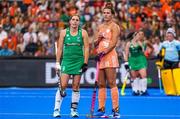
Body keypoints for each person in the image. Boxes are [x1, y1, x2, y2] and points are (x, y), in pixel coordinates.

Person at [53, 14, 89, 118]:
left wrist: (85, 63)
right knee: (62, 85)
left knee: (76, 85)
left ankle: (73, 110)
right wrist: (57, 62)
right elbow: (59, 49)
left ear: (79, 22)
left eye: (77, 20)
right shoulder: (64, 32)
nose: (75, 21)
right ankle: (56, 109)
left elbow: (86, 48)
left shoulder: (83, 33)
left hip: (78, 61)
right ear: (70, 21)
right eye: (73, 19)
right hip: (67, 61)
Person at [93, 2, 120, 118]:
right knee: (101, 84)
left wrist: (103, 52)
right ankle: (101, 108)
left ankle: (115, 110)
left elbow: (113, 43)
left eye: (108, 13)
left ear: (112, 14)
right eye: (104, 13)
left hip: (109, 56)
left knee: (112, 82)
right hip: (100, 57)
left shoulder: (115, 26)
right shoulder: (100, 26)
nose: (106, 15)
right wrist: (98, 40)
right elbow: (94, 43)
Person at [124, 30, 153, 96]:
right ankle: (135, 90)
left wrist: (141, 46)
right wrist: (126, 63)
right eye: (137, 35)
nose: (139, 36)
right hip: (132, 60)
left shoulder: (140, 42)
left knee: (144, 75)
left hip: (141, 60)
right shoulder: (129, 43)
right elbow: (126, 54)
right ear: (133, 36)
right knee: (134, 77)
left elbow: (143, 52)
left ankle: (144, 90)